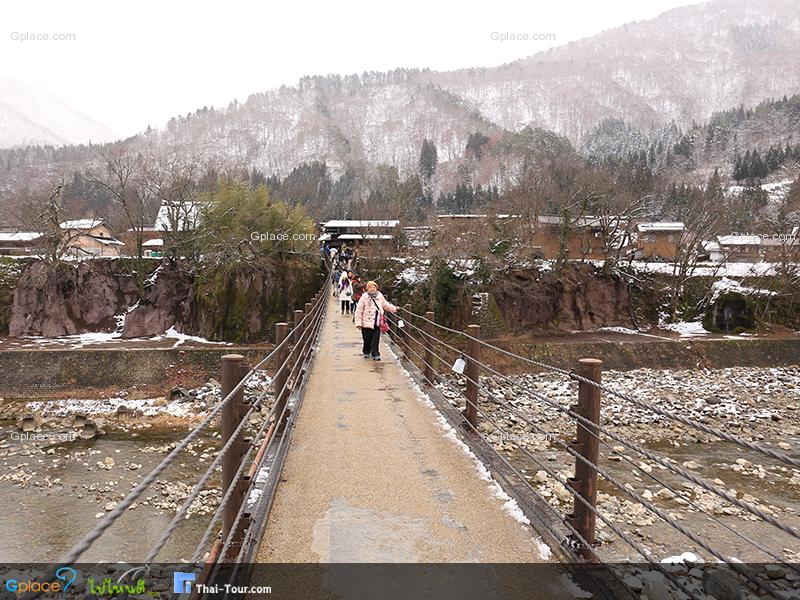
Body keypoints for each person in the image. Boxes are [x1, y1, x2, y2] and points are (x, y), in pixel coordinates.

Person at [354, 280, 397, 361]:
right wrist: (358, 323)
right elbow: (359, 311)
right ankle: (366, 351)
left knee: (375, 339)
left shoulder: (380, 296)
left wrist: (394, 309)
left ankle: (375, 354)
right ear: (367, 289)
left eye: (374, 287)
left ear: (376, 288)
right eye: (370, 287)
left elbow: (386, 305)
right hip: (366, 323)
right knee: (367, 339)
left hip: (377, 322)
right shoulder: (364, 298)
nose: (372, 288)